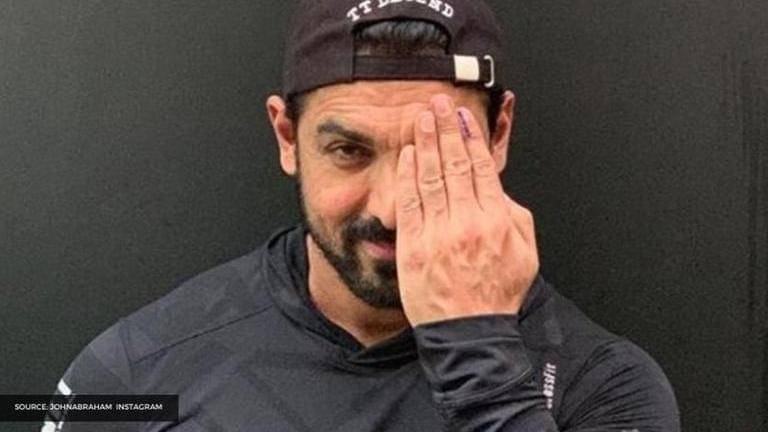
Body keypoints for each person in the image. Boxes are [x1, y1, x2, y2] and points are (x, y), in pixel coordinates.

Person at [44, 0, 680, 431]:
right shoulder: (135, 373)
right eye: (349, 151)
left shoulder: (603, 386)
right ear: (287, 138)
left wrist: (482, 363)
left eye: (435, 153)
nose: (391, 208)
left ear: (498, 136)